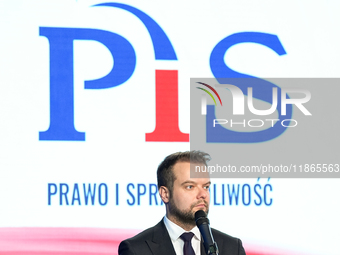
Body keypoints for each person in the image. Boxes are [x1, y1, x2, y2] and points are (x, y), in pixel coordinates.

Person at [118, 151, 246, 255]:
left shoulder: (232, 248)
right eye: (190, 186)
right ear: (165, 194)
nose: (203, 194)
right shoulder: (136, 249)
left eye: (206, 187)